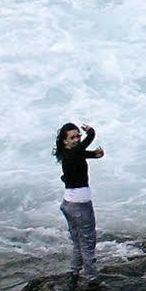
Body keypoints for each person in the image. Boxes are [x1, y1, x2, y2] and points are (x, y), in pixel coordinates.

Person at [55, 121, 104, 282]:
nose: (76, 139)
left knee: (77, 241)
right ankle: (91, 279)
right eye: (72, 137)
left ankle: (73, 272)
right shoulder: (75, 152)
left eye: (78, 136)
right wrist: (91, 131)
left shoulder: (67, 154)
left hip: (68, 204)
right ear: (65, 141)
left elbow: (84, 154)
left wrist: (96, 154)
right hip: (80, 205)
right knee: (88, 242)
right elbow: (87, 142)